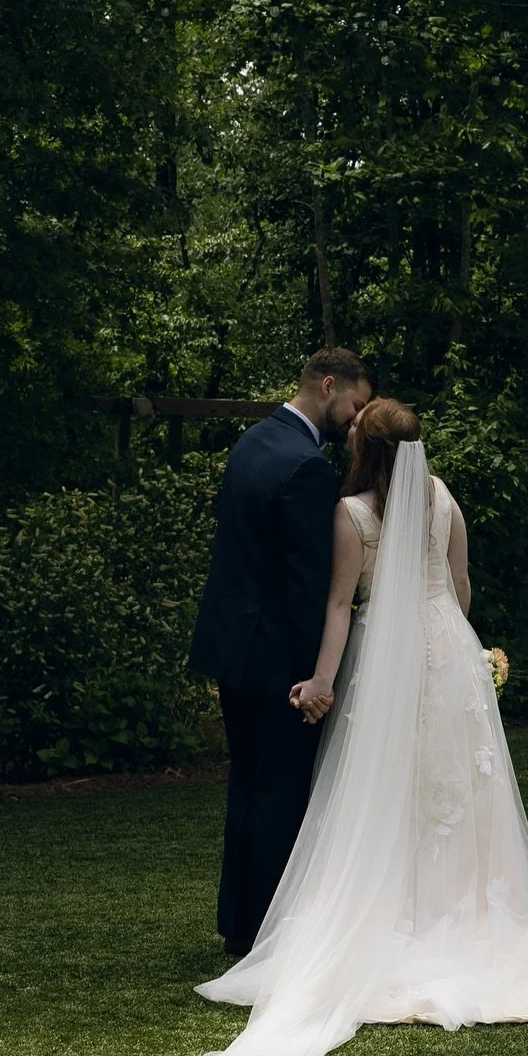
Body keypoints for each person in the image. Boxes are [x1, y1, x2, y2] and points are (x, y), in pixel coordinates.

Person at [153, 398, 528, 1056]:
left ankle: (390, 926)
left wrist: (322, 680)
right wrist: (459, 643)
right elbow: (462, 583)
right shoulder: (444, 497)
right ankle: (464, 926)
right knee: (456, 797)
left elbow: (339, 606)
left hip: (385, 662)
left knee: (382, 797)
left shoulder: (351, 514)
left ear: (364, 447)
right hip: (449, 656)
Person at [188, 349, 374, 956]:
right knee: (280, 793)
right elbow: (306, 587)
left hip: (233, 649)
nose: (355, 419)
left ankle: (238, 924)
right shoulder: (307, 468)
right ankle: (269, 932)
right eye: (353, 404)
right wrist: (315, 677)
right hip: (276, 659)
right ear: (327, 387)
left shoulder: (252, 443)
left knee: (247, 783)